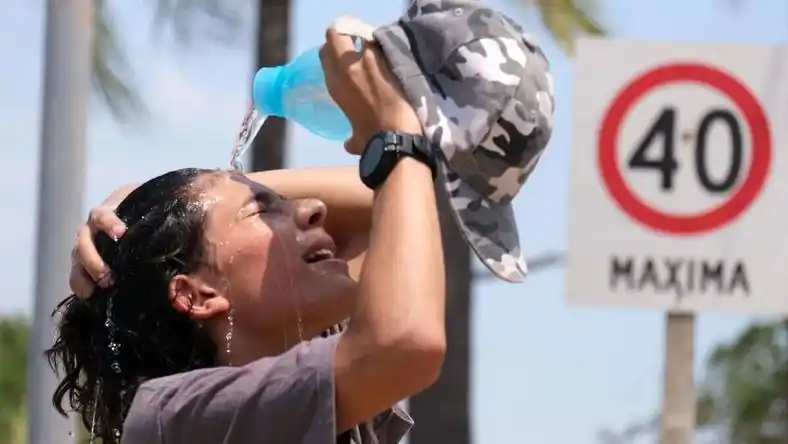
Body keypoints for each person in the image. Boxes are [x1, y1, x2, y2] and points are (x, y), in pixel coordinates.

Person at [55, 2, 554, 442]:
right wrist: (398, 133)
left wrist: (169, 199)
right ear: (196, 294)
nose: (313, 208)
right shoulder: (175, 419)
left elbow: (397, 200)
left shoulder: (317, 377)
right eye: (263, 211)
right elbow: (406, 339)